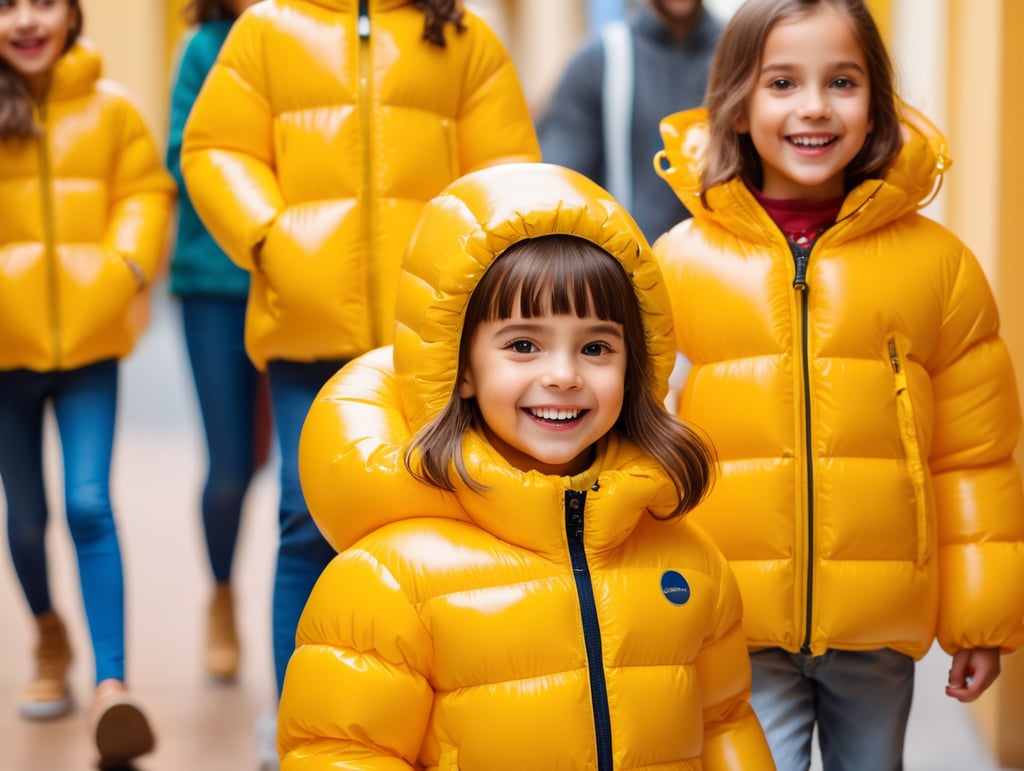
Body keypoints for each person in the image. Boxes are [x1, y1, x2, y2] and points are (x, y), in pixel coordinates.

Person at [280, 162, 775, 769]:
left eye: (596, 348)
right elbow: (341, 752)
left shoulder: (689, 562)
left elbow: (725, 723)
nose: (563, 375)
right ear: (459, 368)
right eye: (523, 345)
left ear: (636, 367)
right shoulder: (389, 581)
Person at [652, 1, 1024, 769]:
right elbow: (645, 446)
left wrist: (981, 618)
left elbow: (974, 456)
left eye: (842, 81)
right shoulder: (680, 263)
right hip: (736, 620)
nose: (814, 107)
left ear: (877, 103)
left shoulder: (938, 267)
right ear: (737, 105)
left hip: (878, 626)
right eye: (782, 82)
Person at [180, 0, 540, 761]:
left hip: (436, 336)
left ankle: (431, 719)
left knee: (447, 519)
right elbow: (215, 149)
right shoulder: (268, 30)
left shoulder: (462, 37)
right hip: (307, 329)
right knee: (303, 519)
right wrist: (270, 235)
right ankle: (298, 723)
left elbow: (506, 174)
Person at [0, 0, 176, 766]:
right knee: (26, 515)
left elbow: (146, 192)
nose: (25, 20)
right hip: (4, 351)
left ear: (72, 14)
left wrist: (126, 265)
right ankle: (47, 631)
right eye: (7, 5)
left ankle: (112, 685)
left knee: (87, 503)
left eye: (43, 1)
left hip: (88, 348)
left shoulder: (113, 111)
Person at [166, 0, 264, 685]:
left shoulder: (318, 32)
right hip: (216, 287)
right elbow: (183, 157)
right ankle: (222, 594)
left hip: (309, 288)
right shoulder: (206, 46)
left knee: (306, 473)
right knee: (230, 468)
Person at [537, 0, 722, 243]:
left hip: (723, 269)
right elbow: (560, 186)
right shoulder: (597, 62)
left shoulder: (741, 55)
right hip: (629, 267)